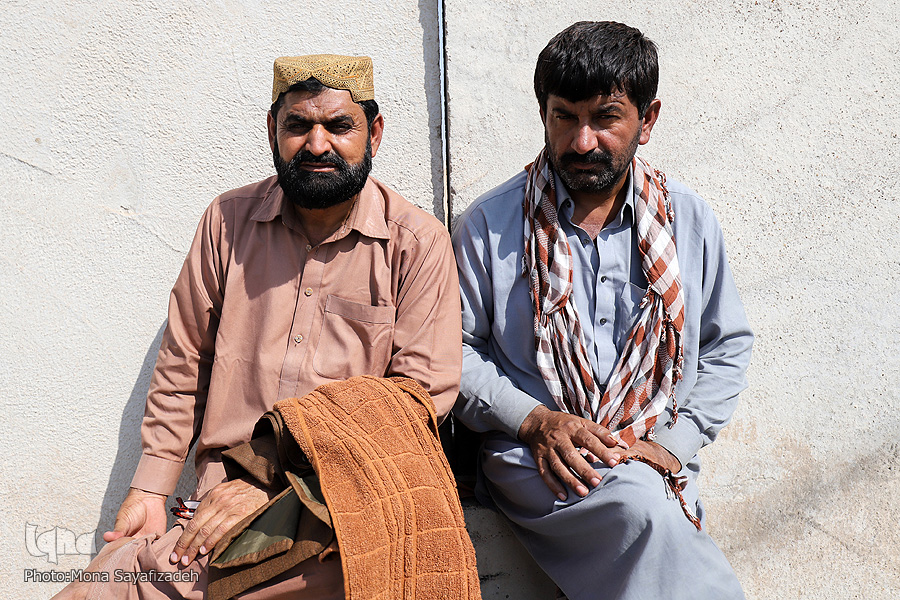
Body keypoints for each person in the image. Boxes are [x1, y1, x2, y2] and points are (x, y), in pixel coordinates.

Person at [53, 53, 462, 599]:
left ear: (375, 132)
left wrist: (270, 472)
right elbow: (184, 362)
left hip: (340, 504)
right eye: (298, 125)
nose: (317, 144)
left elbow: (417, 399)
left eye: (339, 125)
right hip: (218, 503)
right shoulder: (227, 221)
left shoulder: (416, 243)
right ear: (273, 130)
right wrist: (150, 491)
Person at [452, 21, 753, 600]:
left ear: (648, 119)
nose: (582, 140)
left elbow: (726, 344)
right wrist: (536, 421)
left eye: (605, 118)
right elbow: (452, 354)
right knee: (643, 509)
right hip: (536, 459)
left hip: (653, 452)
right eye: (564, 117)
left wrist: (675, 443)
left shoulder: (689, 220)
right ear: (544, 116)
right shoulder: (489, 225)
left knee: (648, 500)